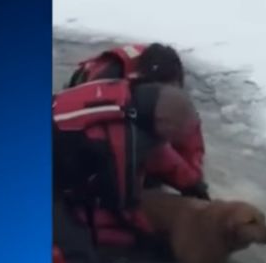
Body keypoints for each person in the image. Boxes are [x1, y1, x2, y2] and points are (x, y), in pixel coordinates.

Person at [52, 79, 201, 263]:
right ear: (161, 121)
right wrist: (156, 236)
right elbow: (123, 202)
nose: (172, 140)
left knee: (112, 235)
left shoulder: (132, 100)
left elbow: (160, 155)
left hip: (58, 159)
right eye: (173, 134)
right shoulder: (121, 136)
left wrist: (194, 187)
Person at [65, 43, 208, 200]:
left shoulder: (171, 88)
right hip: (84, 116)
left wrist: (194, 181)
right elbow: (137, 146)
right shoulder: (109, 85)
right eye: (162, 95)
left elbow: (189, 136)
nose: (169, 98)